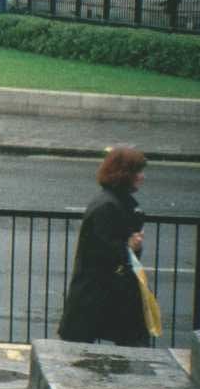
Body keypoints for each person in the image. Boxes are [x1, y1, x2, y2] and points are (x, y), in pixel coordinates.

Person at [58, 147, 150, 347]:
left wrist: (131, 245)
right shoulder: (108, 206)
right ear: (125, 174)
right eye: (138, 172)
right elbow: (103, 250)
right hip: (99, 294)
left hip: (103, 293)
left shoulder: (114, 201)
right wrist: (130, 246)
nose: (143, 177)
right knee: (82, 352)